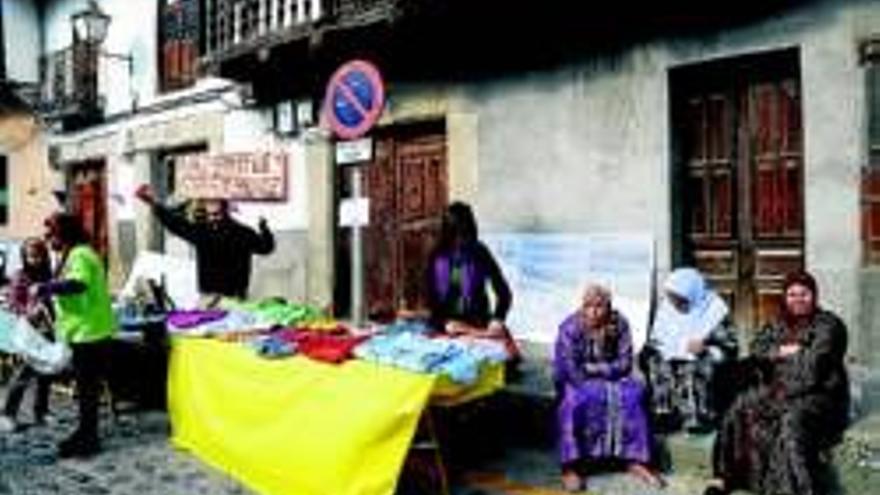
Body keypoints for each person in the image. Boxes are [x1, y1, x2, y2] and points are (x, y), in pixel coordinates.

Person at [704, 271, 850, 495]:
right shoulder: (777, 323)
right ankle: (724, 477)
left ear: (814, 295)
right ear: (785, 297)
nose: (798, 299)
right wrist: (782, 351)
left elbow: (814, 366)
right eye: (792, 294)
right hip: (778, 389)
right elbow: (757, 349)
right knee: (740, 405)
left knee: (791, 419)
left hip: (820, 395)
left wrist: (781, 367)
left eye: (804, 293)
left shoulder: (829, 326)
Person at [554, 284, 663, 492]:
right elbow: (570, 368)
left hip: (612, 378)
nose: (593, 312)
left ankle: (635, 460)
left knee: (634, 396)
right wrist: (597, 376)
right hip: (576, 380)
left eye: (599, 306)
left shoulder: (619, 324)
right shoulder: (569, 327)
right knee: (574, 401)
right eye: (588, 306)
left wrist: (596, 369)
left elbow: (625, 363)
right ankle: (571, 467)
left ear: (608, 307)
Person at [40, 213, 117, 458]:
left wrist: (46, 287)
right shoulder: (73, 253)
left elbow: (79, 284)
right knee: (86, 388)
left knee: (87, 389)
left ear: (64, 233)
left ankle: (88, 437)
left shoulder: (80, 253)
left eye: (51, 233)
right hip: (83, 330)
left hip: (90, 332)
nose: (48, 238)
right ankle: (85, 433)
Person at [135, 185, 275, 300]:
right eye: (211, 215)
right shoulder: (203, 232)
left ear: (226, 212)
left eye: (217, 214)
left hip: (234, 296)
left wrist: (264, 227)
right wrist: (153, 203)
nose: (214, 218)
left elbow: (266, 248)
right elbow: (175, 224)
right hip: (209, 295)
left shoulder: (242, 232)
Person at [641, 267, 739, 432]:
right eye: (672, 297)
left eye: (679, 298)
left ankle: (697, 419)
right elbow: (655, 339)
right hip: (671, 356)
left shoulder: (715, 310)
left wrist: (706, 349)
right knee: (656, 362)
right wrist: (656, 349)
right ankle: (664, 415)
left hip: (701, 359)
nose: (675, 302)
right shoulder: (667, 309)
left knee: (693, 368)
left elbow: (730, 347)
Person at [425, 201, 518, 359]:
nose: (461, 241)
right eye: (457, 236)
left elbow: (504, 294)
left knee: (507, 360)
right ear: (448, 234)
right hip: (448, 325)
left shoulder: (480, 252)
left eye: (465, 235)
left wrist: (497, 320)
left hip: (478, 323)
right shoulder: (436, 257)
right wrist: (444, 324)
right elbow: (431, 301)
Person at [0, 238, 55, 432]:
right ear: (25, 257)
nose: (36, 260)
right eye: (31, 256)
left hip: (48, 330)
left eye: (39, 255)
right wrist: (30, 311)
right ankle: (8, 414)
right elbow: (14, 303)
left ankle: (41, 411)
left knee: (46, 373)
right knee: (24, 372)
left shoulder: (49, 274)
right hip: (28, 331)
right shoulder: (20, 276)